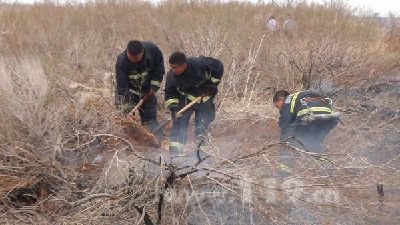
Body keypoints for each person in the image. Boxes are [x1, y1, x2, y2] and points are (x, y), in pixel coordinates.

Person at [164, 52, 223, 154]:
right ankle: (174, 155)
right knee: (179, 125)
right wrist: (174, 108)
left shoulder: (199, 63)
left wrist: (213, 85)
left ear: (184, 65)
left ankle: (201, 155)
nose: (173, 70)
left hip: (204, 100)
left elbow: (218, 67)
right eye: (171, 67)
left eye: (175, 67)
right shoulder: (171, 76)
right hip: (185, 101)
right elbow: (170, 94)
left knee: (202, 127)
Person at [273, 90, 339, 175]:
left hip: (310, 117)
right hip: (330, 119)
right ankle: (326, 166)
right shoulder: (303, 96)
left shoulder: (288, 100)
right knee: (312, 142)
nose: (279, 109)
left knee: (288, 140)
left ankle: (284, 171)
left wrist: (283, 142)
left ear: (281, 100)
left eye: (277, 106)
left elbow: (285, 125)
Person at [115, 40, 164, 133]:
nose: (133, 61)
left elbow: (159, 70)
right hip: (130, 91)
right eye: (131, 58)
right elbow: (122, 87)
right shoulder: (121, 62)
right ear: (127, 52)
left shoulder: (153, 51)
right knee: (126, 119)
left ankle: (152, 137)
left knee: (150, 120)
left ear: (142, 52)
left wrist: (153, 88)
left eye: (136, 58)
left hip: (147, 91)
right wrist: (126, 108)